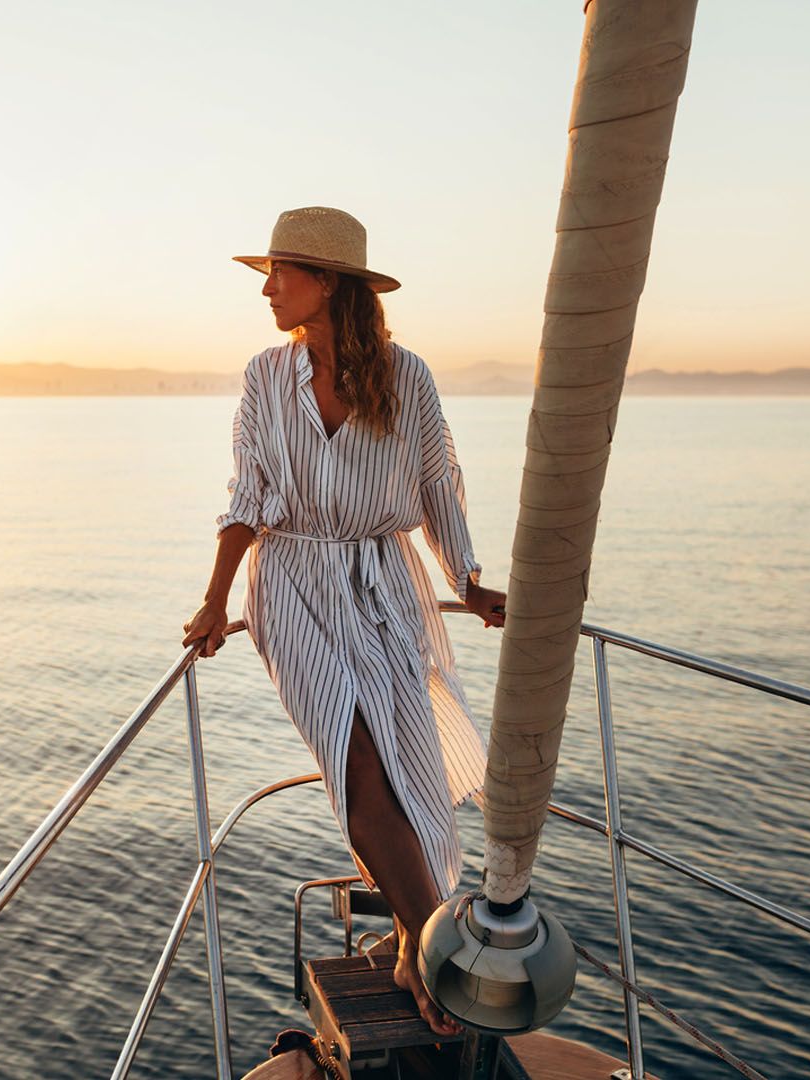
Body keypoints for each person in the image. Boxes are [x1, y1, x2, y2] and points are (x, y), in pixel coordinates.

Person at [182, 206, 505, 1036]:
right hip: (289, 585)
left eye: (279, 272)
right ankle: (442, 952)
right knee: (358, 763)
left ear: (326, 283)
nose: (266, 288)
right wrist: (218, 599)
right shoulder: (265, 376)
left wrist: (465, 582)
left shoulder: (408, 377)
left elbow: (438, 484)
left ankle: (410, 943)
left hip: (383, 584)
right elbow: (248, 497)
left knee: (402, 765)